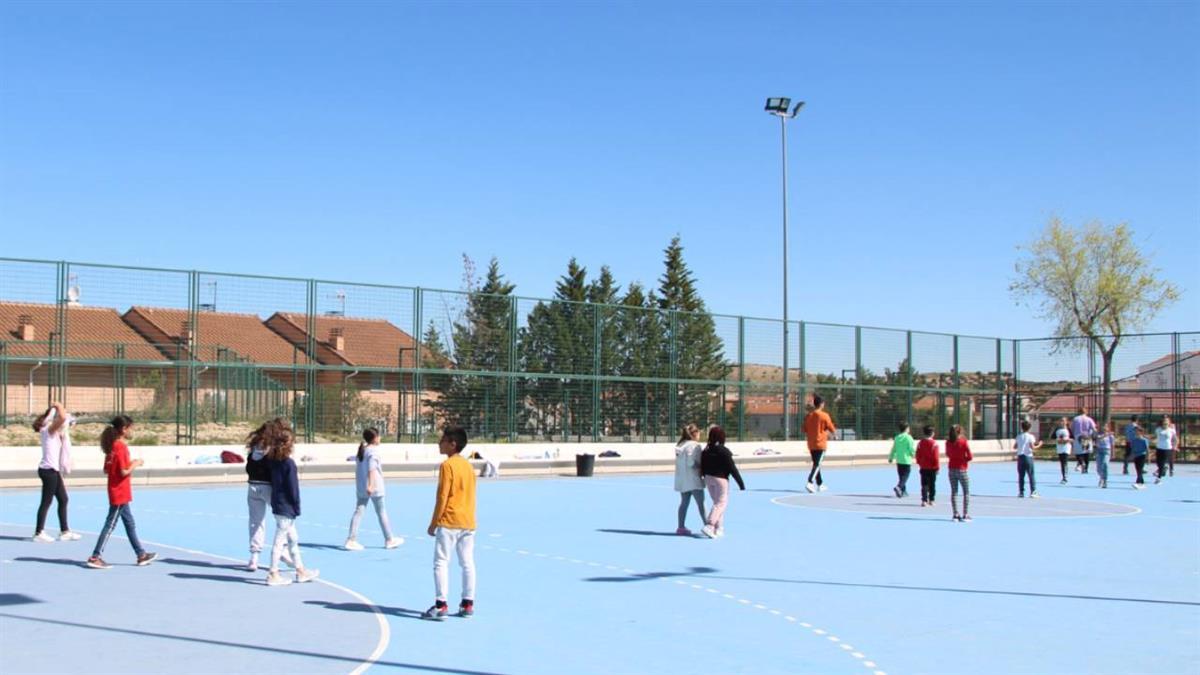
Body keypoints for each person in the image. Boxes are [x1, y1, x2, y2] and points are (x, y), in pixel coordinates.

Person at [86, 416, 156, 569]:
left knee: (129, 523)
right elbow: (124, 471)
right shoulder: (121, 447)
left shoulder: (112, 446)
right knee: (110, 524)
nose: (132, 431)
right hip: (119, 492)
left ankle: (141, 554)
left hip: (118, 491)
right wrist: (136, 463)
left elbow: (107, 469)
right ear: (124, 429)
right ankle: (95, 556)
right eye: (131, 428)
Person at [422, 426, 477, 621]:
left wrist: (434, 522)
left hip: (450, 521)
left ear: (452, 444)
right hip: (468, 521)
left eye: (443, 440)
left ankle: (441, 605)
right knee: (467, 563)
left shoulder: (447, 466)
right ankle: (468, 603)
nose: (439, 443)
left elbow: (442, 496)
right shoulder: (468, 466)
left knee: (441, 562)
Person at [265, 426, 319, 586]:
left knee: (293, 539)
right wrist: (296, 506)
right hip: (286, 506)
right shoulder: (288, 464)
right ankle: (273, 573)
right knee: (279, 541)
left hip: (277, 504)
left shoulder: (273, 461)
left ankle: (300, 570)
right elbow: (293, 488)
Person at [245, 418, 293, 572]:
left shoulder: (255, 447)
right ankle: (284, 550)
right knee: (284, 518)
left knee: (256, 522)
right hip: (268, 488)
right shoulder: (272, 448)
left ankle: (254, 557)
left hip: (252, 486)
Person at [345, 428, 403, 551]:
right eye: (379, 436)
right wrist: (371, 485)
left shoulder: (363, 450)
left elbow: (357, 459)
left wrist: (350, 458)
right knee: (381, 512)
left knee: (358, 512)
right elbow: (372, 469)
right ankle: (389, 539)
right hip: (375, 488)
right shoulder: (373, 452)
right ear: (375, 438)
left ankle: (351, 539)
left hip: (361, 487)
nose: (380, 438)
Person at [31, 402, 81, 542]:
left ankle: (64, 531)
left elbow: (67, 422)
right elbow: (64, 418)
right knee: (46, 502)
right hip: (48, 471)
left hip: (53, 471)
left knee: (63, 499)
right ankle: (39, 532)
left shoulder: (56, 432)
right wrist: (58, 405)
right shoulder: (48, 429)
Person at [699, 425, 745, 538]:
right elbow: (732, 468)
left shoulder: (706, 450)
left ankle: (719, 527)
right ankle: (710, 525)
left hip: (709, 478)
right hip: (721, 480)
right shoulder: (724, 451)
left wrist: (704, 475)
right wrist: (741, 483)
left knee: (717, 504)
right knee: (721, 503)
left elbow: (702, 465)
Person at [673, 423, 706, 535]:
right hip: (694, 479)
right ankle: (708, 525)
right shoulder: (695, 445)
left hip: (683, 480)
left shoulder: (680, 445)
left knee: (684, 502)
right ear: (695, 433)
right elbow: (692, 463)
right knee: (701, 504)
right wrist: (701, 467)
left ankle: (680, 527)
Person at [802, 395, 837, 493]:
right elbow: (831, 427)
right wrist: (834, 435)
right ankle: (810, 482)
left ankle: (820, 484)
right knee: (817, 464)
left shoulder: (809, 416)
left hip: (811, 444)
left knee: (816, 464)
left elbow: (804, 429)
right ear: (821, 404)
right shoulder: (824, 415)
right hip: (820, 444)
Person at [945, 424, 973, 522]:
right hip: (962, 469)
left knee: (954, 492)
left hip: (951, 469)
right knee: (966, 492)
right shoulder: (963, 442)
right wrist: (963, 459)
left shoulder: (948, 443)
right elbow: (970, 456)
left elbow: (948, 454)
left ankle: (955, 514)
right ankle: (965, 514)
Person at [888, 422, 916, 498]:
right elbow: (911, 448)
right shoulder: (909, 438)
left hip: (899, 460)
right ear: (906, 429)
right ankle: (899, 487)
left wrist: (891, 457)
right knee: (905, 476)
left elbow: (894, 449)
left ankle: (903, 491)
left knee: (901, 476)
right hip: (906, 460)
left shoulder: (897, 438)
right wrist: (914, 455)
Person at [1014, 420, 1041, 498]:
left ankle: (1021, 492)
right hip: (1028, 456)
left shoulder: (1019, 436)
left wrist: (1020, 446)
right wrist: (1039, 445)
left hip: (1020, 457)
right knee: (1031, 474)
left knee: (1021, 475)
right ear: (1029, 428)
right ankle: (1033, 491)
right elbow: (1032, 447)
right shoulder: (1030, 436)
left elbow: (1015, 446)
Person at [915, 425, 939, 507]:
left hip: (923, 467)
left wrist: (919, 463)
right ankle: (931, 499)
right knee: (932, 484)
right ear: (932, 433)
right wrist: (937, 467)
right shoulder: (934, 444)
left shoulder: (920, 443)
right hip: (932, 468)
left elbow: (917, 454)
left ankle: (924, 500)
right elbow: (936, 457)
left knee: (924, 484)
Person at [1071, 407, 1097, 474]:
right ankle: (1086, 468)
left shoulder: (1075, 419)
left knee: (1078, 452)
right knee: (1086, 453)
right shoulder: (1089, 419)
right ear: (1086, 412)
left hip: (1078, 436)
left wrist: (1073, 435)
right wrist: (1095, 436)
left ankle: (1081, 463)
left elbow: (1072, 428)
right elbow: (1094, 429)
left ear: (1079, 412)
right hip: (1087, 436)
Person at [1154, 416, 1178, 484]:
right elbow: (1155, 437)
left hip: (1167, 449)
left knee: (1161, 464)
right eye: (1164, 422)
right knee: (1158, 463)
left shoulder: (1171, 430)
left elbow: (1175, 439)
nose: (1165, 423)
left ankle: (1158, 478)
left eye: (1166, 422)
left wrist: (1175, 446)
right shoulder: (1158, 429)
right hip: (1159, 448)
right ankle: (1163, 469)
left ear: (1168, 423)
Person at [1094, 421, 1115, 489]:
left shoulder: (1111, 436)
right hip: (1099, 451)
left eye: (1106, 426)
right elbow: (1098, 439)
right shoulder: (1099, 434)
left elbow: (1112, 445)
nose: (1104, 428)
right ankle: (1101, 477)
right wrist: (1105, 435)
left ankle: (1105, 480)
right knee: (1099, 468)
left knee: (1105, 464)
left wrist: (1112, 453)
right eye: (1103, 426)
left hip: (1106, 451)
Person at [1054, 417, 1072, 484]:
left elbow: (1073, 438)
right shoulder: (1057, 430)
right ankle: (1063, 475)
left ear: (1066, 422)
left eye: (1064, 421)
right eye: (1061, 421)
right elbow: (1053, 438)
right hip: (1060, 448)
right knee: (1062, 463)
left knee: (1065, 462)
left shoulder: (1069, 430)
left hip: (1066, 447)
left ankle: (1065, 477)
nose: (1062, 422)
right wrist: (1058, 440)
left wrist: (1068, 440)